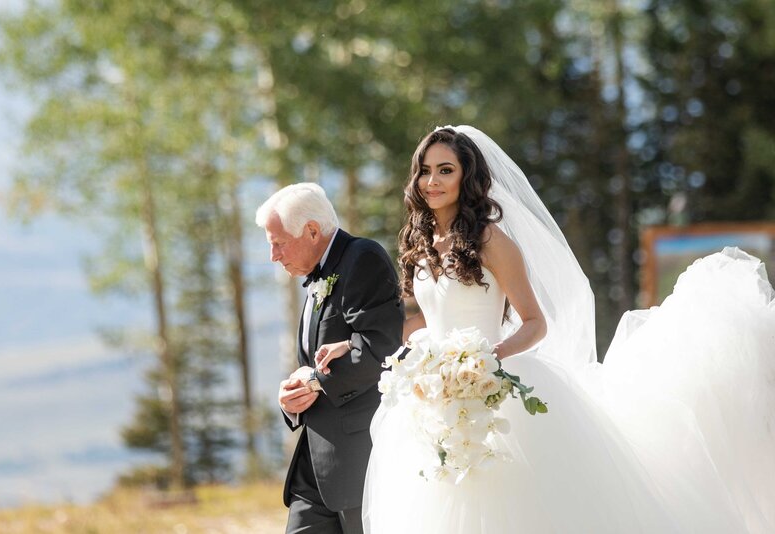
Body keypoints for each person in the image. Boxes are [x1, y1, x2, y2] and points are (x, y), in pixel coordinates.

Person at [316, 126, 775, 533]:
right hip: (432, 394)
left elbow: (535, 322)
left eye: (445, 170)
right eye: (425, 171)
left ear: (466, 177)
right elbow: (420, 319)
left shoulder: (491, 241)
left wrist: (485, 362)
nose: (432, 182)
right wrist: (354, 343)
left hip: (491, 387)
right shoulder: (420, 241)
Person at [255, 183, 404, 534]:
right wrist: (291, 397)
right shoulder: (315, 275)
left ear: (311, 231)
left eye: (278, 243)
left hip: (357, 464)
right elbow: (313, 361)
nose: (273, 255)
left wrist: (314, 382)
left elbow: (379, 349)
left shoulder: (362, 258)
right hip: (313, 471)